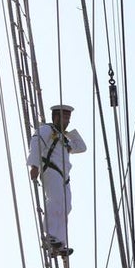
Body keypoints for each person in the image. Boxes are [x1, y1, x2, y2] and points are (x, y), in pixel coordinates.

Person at [27, 104, 87, 256]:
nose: (67, 121)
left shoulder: (63, 139)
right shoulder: (47, 130)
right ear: (56, 117)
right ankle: (50, 235)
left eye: (69, 118)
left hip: (64, 177)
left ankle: (59, 242)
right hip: (51, 170)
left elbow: (81, 147)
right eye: (65, 117)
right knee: (55, 200)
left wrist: (69, 134)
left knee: (67, 206)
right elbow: (36, 144)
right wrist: (34, 165)